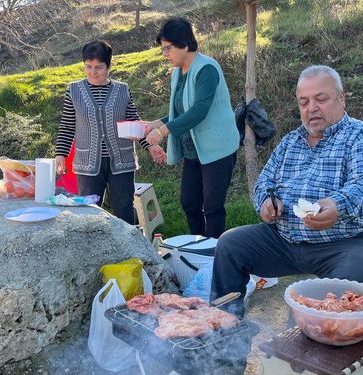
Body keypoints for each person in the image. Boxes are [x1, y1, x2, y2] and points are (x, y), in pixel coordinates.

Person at [210, 65, 363, 317]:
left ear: (341, 98)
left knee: (356, 276)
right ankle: (224, 327)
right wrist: (265, 202)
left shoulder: (362, 135)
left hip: (345, 243)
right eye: (304, 102)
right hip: (284, 241)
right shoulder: (290, 142)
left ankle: (336, 346)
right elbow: (265, 183)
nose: (312, 108)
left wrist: (337, 206)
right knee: (230, 244)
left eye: (321, 99)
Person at [141, 17, 240, 238]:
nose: (164, 54)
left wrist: (163, 131)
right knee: (189, 202)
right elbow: (182, 108)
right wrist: (158, 122)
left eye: (168, 48)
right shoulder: (178, 72)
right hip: (194, 149)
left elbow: (199, 110)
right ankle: (199, 244)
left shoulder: (207, 69)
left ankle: (215, 252)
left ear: (185, 44)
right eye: (163, 49)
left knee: (213, 206)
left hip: (216, 147)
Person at [55, 40, 167, 224]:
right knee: (89, 211)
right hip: (87, 163)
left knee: (123, 207)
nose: (93, 72)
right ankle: (96, 250)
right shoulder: (74, 90)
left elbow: (135, 124)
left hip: (121, 161)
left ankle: (128, 250)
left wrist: (150, 146)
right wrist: (61, 154)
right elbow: (67, 125)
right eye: (88, 67)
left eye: (98, 67)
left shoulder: (122, 90)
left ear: (108, 66)